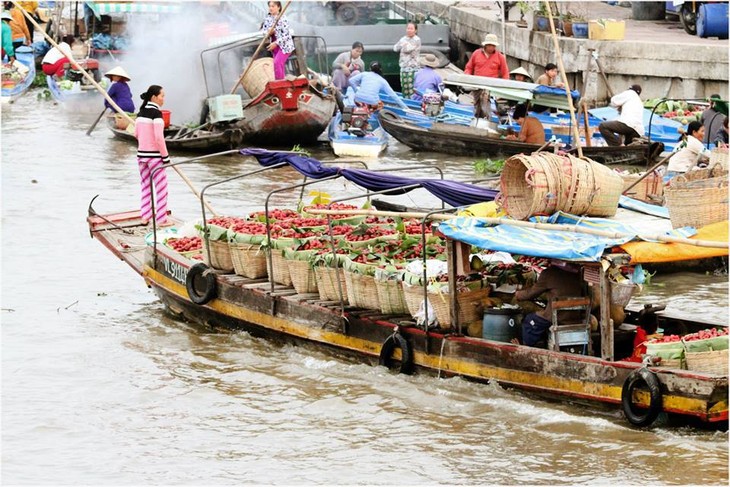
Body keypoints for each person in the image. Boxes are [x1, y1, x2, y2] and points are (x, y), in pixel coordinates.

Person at [514, 262, 585, 347]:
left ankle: (526, 348)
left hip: (557, 317)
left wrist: (518, 294)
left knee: (530, 320)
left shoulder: (549, 273)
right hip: (575, 316)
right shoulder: (576, 273)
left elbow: (531, 293)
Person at [135, 85, 171, 226]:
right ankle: (162, 219)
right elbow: (159, 138)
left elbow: (136, 134)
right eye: (162, 96)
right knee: (161, 188)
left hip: (141, 156)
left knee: (145, 186)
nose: (163, 99)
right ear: (154, 97)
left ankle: (145, 217)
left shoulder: (140, 113)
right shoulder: (157, 114)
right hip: (155, 157)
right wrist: (166, 157)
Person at [260, 1, 294, 80]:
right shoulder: (268, 18)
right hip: (275, 47)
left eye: (273, 6)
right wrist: (269, 32)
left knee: (277, 63)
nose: (271, 8)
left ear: (278, 7)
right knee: (279, 65)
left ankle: (279, 83)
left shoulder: (283, 18)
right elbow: (264, 31)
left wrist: (276, 41)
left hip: (285, 46)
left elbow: (286, 35)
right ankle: (281, 82)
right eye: (270, 6)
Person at [393, 21, 420, 98]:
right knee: (404, 87)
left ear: (415, 30)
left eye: (411, 28)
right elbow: (395, 48)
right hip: (403, 66)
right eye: (408, 28)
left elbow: (406, 49)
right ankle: (406, 101)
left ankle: (412, 102)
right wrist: (402, 45)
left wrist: (402, 45)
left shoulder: (417, 40)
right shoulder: (403, 39)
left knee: (411, 87)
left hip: (412, 67)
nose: (409, 30)